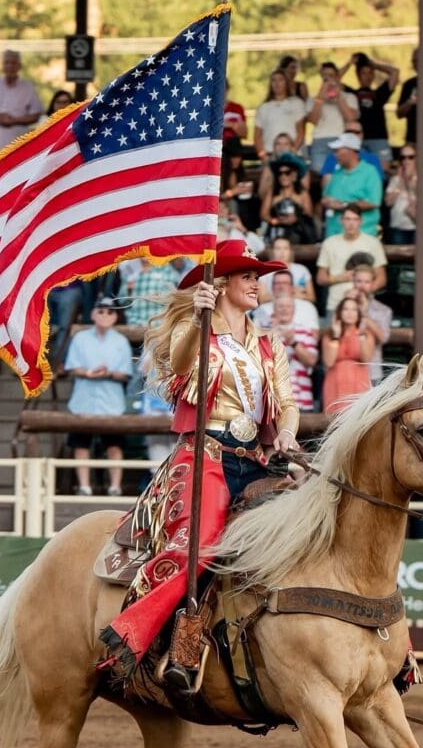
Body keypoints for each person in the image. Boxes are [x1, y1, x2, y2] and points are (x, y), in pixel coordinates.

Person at [97, 240, 300, 689]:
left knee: (312, 525)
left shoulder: (268, 344)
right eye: (247, 276)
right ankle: (143, 638)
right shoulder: (195, 331)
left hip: (255, 458)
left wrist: (286, 431)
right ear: (223, 283)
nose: (256, 284)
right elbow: (179, 364)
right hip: (203, 454)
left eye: (257, 277)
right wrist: (196, 318)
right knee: (200, 542)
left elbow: (286, 403)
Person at [63, 296, 134, 497]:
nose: (105, 315)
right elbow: (72, 367)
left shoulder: (121, 342)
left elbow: (125, 373)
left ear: (115, 317)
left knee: (114, 445)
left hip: (111, 402)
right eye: (101, 311)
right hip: (83, 401)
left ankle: (115, 486)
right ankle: (84, 485)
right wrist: (88, 373)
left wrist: (109, 373)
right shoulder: (80, 338)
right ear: (93, 314)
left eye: (110, 312)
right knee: (80, 444)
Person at [315, 203, 387, 316]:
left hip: (364, 305)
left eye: (355, 219)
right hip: (336, 304)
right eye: (347, 219)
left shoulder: (373, 243)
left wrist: (364, 290)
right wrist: (339, 278)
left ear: (361, 221)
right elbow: (320, 278)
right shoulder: (329, 243)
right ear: (341, 220)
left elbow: (381, 278)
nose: (351, 223)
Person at [0, 50, 42, 157]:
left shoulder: (28, 87)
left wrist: (15, 120)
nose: (10, 66)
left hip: (17, 148)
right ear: (2, 65)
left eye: (13, 63)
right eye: (7, 62)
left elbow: (36, 115)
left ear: (19, 66)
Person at [267, 283, 319, 411]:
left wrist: (294, 343)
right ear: (274, 310)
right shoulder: (265, 334)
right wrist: (273, 336)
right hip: (273, 400)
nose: (284, 309)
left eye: (288, 306)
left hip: (301, 400)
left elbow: (311, 361)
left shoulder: (305, 332)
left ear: (294, 310)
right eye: (281, 306)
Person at [344, 52, 399, 172]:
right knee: (357, 174)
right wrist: (349, 64)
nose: (367, 76)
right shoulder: (351, 94)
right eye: (364, 73)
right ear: (358, 75)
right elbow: (334, 81)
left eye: (370, 73)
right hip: (358, 140)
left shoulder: (379, 94)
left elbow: (395, 72)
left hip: (379, 139)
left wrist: (374, 65)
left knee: (382, 174)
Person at [320, 133, 383, 237]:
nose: (335, 155)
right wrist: (327, 201)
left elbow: (373, 202)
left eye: (338, 150)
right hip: (334, 235)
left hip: (360, 236)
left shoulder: (370, 172)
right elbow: (325, 196)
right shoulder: (337, 172)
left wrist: (344, 205)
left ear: (351, 151)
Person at [321, 296, 374, 414]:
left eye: (354, 310)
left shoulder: (366, 334)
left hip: (359, 380)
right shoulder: (329, 334)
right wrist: (336, 336)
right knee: (333, 420)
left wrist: (361, 334)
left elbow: (366, 359)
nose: (350, 313)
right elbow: (329, 361)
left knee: (357, 418)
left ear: (359, 314)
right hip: (334, 381)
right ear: (339, 312)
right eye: (346, 309)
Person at [304, 61, 359, 175]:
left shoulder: (349, 97)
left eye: (331, 76)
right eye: (325, 77)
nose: (328, 80)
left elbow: (351, 119)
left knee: (343, 175)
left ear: (338, 77)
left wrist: (338, 97)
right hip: (319, 142)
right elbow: (313, 121)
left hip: (342, 141)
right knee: (320, 176)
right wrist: (320, 99)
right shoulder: (313, 100)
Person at [260, 153, 315, 244]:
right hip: (276, 231)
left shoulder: (302, 193)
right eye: (280, 173)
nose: (283, 176)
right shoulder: (272, 192)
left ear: (294, 175)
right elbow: (263, 214)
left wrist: (296, 218)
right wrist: (275, 221)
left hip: (299, 232)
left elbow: (309, 214)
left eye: (287, 173)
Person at [253, 69, 306, 160]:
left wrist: (293, 151)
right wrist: (262, 155)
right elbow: (257, 136)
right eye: (274, 80)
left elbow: (301, 132)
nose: (277, 83)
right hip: (270, 154)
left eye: (281, 80)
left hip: (291, 154)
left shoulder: (297, 103)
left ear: (286, 82)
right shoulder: (263, 107)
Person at [258, 236, 316, 304]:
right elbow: (261, 299)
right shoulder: (265, 271)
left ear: (290, 251)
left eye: (286, 248)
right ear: (272, 251)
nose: (282, 252)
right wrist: (289, 293)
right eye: (278, 248)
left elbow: (312, 298)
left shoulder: (302, 270)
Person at [384, 144, 417, 245]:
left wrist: (409, 179)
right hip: (397, 228)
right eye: (403, 157)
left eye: (410, 157)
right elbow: (388, 202)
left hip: (418, 229)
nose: (406, 161)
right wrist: (400, 182)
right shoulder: (395, 180)